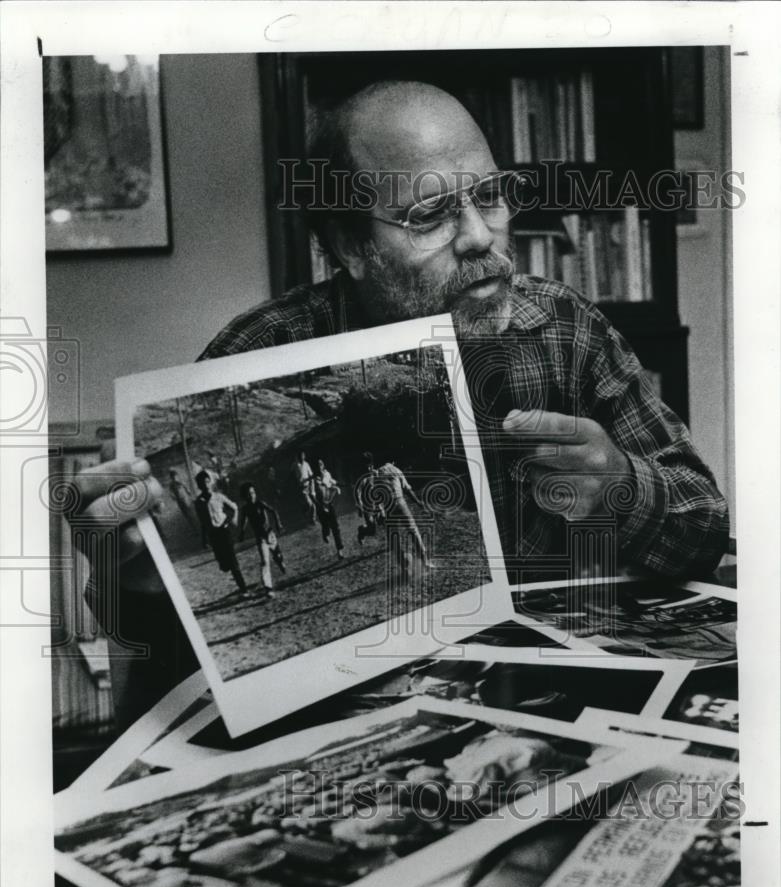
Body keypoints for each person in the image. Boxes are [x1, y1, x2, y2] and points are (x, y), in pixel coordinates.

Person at [72, 80, 729, 725]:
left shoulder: (563, 329)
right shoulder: (257, 355)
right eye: (430, 215)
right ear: (353, 245)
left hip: (552, 712)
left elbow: (703, 526)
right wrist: (124, 574)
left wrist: (621, 485)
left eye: (490, 196)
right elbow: (159, 648)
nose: (480, 236)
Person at [193, 470, 249, 599]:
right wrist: (203, 539)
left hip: (224, 531)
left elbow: (234, 507)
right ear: (199, 486)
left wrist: (230, 521)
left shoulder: (218, 496)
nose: (205, 485)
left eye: (207, 482)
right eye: (202, 483)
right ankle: (231, 571)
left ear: (210, 482)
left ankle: (244, 589)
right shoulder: (198, 503)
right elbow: (202, 522)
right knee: (224, 565)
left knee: (233, 562)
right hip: (213, 535)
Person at [374, 457, 432, 574]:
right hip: (400, 502)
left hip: (388, 506)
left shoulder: (377, 474)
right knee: (413, 531)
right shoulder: (396, 469)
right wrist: (419, 502)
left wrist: (380, 511)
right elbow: (407, 489)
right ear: (392, 461)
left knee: (394, 538)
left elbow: (377, 496)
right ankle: (425, 561)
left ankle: (404, 568)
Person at [238, 482, 286, 597]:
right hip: (261, 538)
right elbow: (244, 522)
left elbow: (273, 511)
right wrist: (242, 533)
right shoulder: (245, 509)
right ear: (245, 496)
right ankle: (268, 588)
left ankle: (280, 562)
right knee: (265, 562)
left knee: (278, 556)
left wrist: (278, 524)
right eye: (248, 494)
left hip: (270, 535)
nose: (252, 496)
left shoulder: (260, 504)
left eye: (253, 493)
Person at [312, 458, 345, 559]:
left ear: (323, 466)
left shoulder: (327, 474)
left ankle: (340, 550)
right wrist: (318, 505)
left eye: (321, 465)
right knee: (326, 525)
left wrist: (341, 485)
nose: (319, 468)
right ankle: (325, 533)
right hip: (320, 505)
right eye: (317, 466)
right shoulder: (313, 480)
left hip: (329, 503)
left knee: (335, 527)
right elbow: (312, 494)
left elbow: (333, 482)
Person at [355, 451, 384, 545]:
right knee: (372, 531)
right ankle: (362, 530)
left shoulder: (375, 474)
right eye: (367, 467)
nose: (369, 468)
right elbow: (358, 493)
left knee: (384, 518)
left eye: (370, 466)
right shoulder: (362, 479)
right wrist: (360, 507)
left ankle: (392, 540)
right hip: (367, 507)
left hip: (377, 503)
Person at [291, 449, 317, 524]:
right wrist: (295, 482)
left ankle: (311, 518)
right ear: (298, 457)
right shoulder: (295, 465)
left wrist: (313, 490)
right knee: (310, 505)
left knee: (312, 505)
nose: (302, 457)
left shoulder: (306, 464)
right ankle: (309, 516)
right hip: (301, 488)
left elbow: (311, 476)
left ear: (304, 456)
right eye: (300, 456)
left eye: (303, 456)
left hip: (308, 487)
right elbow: (291, 474)